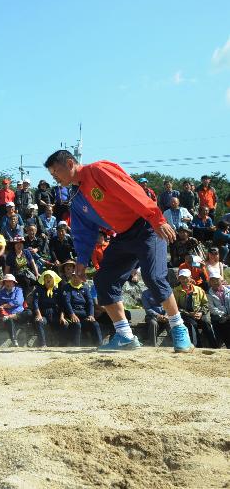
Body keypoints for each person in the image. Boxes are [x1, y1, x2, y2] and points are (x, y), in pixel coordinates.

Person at [44, 149, 193, 351]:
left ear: (70, 163)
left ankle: (178, 327)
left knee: (154, 277)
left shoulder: (98, 170)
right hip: (123, 235)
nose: (55, 177)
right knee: (104, 280)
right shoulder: (77, 198)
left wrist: (156, 218)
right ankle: (124, 336)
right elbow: (84, 232)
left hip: (148, 227)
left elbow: (131, 191)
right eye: (51, 175)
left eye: (56, 172)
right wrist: (81, 260)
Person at [0, 273, 44, 347]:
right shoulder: (0, 292)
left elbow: (18, 301)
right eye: (6, 281)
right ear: (4, 282)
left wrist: (5, 305)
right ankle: (14, 340)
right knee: (8, 319)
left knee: (29, 312)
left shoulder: (18, 290)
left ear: (13, 282)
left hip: (19, 314)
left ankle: (10, 316)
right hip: (6, 314)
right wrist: (3, 306)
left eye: (10, 281)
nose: (8, 283)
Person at [173, 268, 217, 348]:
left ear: (190, 278)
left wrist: (201, 313)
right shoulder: (176, 291)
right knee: (193, 324)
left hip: (198, 313)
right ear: (179, 279)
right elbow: (175, 306)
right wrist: (188, 313)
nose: (184, 280)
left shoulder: (199, 290)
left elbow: (206, 304)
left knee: (206, 322)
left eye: (186, 277)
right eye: (181, 278)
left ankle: (214, 346)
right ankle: (197, 347)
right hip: (185, 314)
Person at [58, 273, 103, 346]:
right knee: (77, 324)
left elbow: (90, 302)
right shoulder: (66, 287)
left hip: (84, 315)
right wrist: (72, 314)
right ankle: (76, 346)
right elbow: (67, 302)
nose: (75, 278)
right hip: (71, 315)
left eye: (78, 277)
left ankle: (99, 345)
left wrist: (91, 315)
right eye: (73, 276)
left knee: (95, 324)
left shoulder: (85, 287)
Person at [33, 270, 61, 346]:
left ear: (54, 279)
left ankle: (62, 344)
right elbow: (35, 303)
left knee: (65, 324)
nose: (48, 279)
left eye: (50, 277)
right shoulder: (38, 290)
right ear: (43, 279)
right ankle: (43, 344)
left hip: (55, 314)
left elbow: (62, 305)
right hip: (43, 314)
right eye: (46, 277)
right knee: (39, 322)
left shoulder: (58, 291)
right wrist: (39, 315)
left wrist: (62, 317)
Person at [206, 276, 230, 348]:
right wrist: (224, 315)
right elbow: (212, 308)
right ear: (210, 283)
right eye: (213, 280)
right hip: (219, 315)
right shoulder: (208, 293)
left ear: (221, 281)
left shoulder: (228, 289)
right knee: (223, 324)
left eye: (217, 280)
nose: (215, 282)